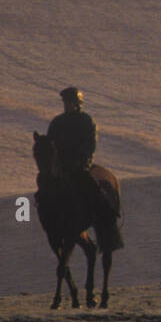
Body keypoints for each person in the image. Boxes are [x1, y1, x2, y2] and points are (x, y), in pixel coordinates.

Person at [47, 87, 118, 224]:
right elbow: (50, 142)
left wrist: (81, 159)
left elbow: (90, 144)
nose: (67, 105)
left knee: (90, 186)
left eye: (70, 102)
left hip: (80, 164)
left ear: (77, 103)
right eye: (65, 102)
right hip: (60, 164)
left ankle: (106, 212)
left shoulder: (86, 121)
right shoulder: (57, 122)